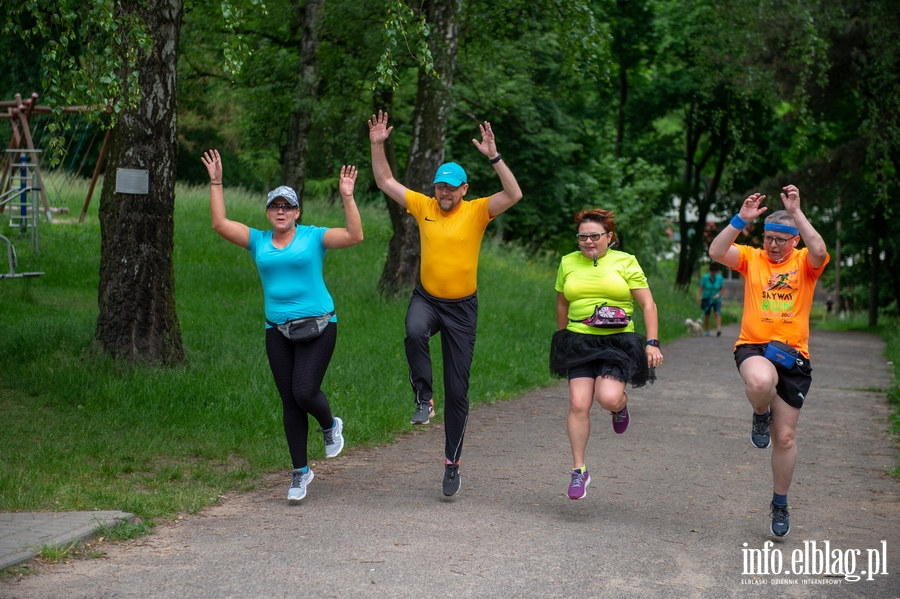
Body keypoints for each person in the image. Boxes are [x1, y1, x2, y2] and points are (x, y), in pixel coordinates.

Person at [367, 110, 523, 497]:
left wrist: (495, 156)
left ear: (464, 189)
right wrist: (377, 144)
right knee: (414, 329)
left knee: (459, 389)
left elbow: (515, 194)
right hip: (427, 299)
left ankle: (452, 463)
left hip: (462, 309)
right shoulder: (423, 206)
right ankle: (423, 395)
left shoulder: (477, 210)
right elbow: (385, 180)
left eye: (451, 188)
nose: (445, 194)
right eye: (440, 187)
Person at [200, 149, 364, 503]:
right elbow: (219, 224)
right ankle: (300, 473)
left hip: (319, 325)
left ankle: (330, 425)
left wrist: (348, 197)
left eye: (287, 206)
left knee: (304, 391)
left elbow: (354, 236)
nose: (280, 211)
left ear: (297, 212)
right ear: (267, 211)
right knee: (290, 401)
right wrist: (216, 182)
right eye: (275, 205)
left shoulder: (313, 237)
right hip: (277, 330)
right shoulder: (258, 241)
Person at [708, 184, 829, 537]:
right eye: (768, 238)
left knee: (786, 437)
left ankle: (779, 501)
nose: (772, 245)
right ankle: (760, 413)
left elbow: (819, 249)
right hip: (755, 347)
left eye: (780, 239)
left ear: (794, 241)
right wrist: (739, 220)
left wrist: (796, 213)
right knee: (760, 382)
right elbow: (717, 251)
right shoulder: (751, 258)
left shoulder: (805, 264)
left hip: (794, 356)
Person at [550, 208, 662, 501]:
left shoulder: (626, 262)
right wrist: (562, 337)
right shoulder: (567, 262)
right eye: (583, 236)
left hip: (618, 340)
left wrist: (652, 342)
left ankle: (619, 407)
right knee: (578, 403)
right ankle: (579, 470)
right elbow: (562, 304)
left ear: (609, 237)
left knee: (608, 397)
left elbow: (648, 305)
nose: (588, 241)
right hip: (580, 340)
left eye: (595, 236)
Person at [697, 262, 724, 336]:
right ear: (710, 271)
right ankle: (707, 331)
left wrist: (718, 295)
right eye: (712, 272)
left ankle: (719, 329)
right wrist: (698, 297)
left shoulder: (720, 278)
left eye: (715, 272)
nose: (713, 273)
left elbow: (722, 289)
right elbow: (701, 288)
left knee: (717, 313)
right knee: (707, 314)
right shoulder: (705, 277)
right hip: (706, 298)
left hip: (716, 299)